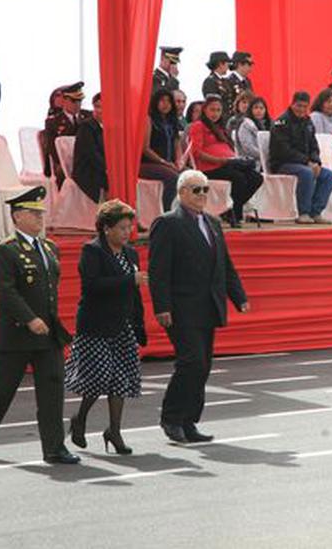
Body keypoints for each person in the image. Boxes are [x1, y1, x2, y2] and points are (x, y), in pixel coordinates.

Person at [0, 186, 79, 465]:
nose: (40, 217)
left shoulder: (49, 248)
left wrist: (46, 320)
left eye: (40, 212)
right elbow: (6, 291)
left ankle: (54, 447)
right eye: (33, 213)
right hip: (16, 332)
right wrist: (30, 318)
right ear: (17, 217)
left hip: (47, 333)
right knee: (1, 390)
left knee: (52, 389)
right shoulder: (6, 250)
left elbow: (51, 288)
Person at [149, 170, 248, 444]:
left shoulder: (213, 223)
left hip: (208, 306)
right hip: (181, 307)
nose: (202, 195)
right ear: (181, 193)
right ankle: (171, 418)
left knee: (203, 366)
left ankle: (189, 421)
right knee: (191, 361)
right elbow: (158, 270)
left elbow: (224, 265)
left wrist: (238, 296)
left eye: (205, 189)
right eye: (196, 190)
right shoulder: (167, 224)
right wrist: (162, 306)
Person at [66, 200, 147, 455]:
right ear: (106, 228)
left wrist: (139, 323)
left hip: (121, 325)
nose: (127, 232)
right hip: (95, 325)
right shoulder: (93, 251)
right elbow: (92, 286)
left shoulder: (130, 254)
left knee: (120, 378)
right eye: (122, 228)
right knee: (98, 377)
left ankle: (114, 430)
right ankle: (80, 418)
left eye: (129, 227)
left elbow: (134, 295)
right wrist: (127, 279)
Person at [189, 95, 263, 228]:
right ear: (205, 110)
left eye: (218, 110)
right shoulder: (198, 126)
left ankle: (231, 209)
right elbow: (197, 152)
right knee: (239, 178)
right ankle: (234, 213)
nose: (215, 113)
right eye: (212, 110)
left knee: (256, 177)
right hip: (209, 168)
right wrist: (220, 160)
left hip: (227, 164)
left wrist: (232, 160)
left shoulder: (221, 127)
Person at [269, 91, 332, 224]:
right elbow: (284, 151)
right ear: (292, 104)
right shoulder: (281, 122)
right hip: (283, 163)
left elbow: (314, 146)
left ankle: (315, 212)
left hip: (305, 163)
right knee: (306, 173)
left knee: (328, 175)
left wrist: (316, 162)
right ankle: (303, 212)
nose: (301, 109)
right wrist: (307, 162)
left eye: (305, 107)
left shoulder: (308, 122)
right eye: (299, 106)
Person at [140, 89, 183, 211]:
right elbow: (145, 148)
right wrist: (163, 162)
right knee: (173, 178)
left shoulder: (172, 121)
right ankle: (167, 212)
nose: (166, 104)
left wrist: (179, 161)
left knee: (193, 175)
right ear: (155, 102)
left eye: (169, 101)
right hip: (148, 163)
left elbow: (177, 144)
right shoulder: (148, 119)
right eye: (162, 101)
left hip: (168, 163)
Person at [44, 82, 84, 189]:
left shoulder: (87, 117)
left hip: (85, 160)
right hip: (65, 162)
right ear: (64, 101)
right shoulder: (53, 122)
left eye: (80, 101)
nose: (77, 104)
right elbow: (52, 148)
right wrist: (63, 163)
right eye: (74, 101)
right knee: (62, 172)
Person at [73, 93, 107, 203]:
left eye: (103, 107)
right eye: (97, 106)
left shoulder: (112, 126)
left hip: (101, 166)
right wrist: (108, 168)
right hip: (88, 168)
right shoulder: (87, 127)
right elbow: (92, 154)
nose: (99, 110)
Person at [231, 95, 271, 169]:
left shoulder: (269, 124)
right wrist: (266, 155)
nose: (259, 110)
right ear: (250, 110)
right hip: (250, 162)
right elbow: (249, 148)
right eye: (255, 108)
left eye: (261, 108)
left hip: (266, 160)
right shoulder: (245, 125)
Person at [40, 86, 66, 182]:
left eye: (63, 95)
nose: (60, 98)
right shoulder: (52, 119)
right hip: (56, 157)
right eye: (57, 95)